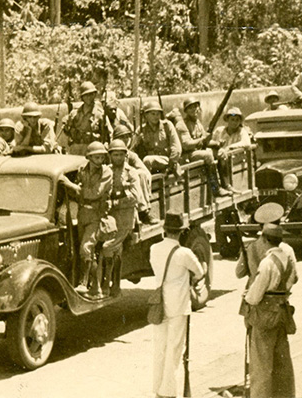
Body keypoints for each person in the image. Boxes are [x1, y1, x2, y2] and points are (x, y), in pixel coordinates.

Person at [150, 212, 205, 398]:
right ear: (181, 232)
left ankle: (157, 388)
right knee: (175, 348)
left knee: (160, 347)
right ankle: (169, 391)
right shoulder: (184, 253)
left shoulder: (154, 249)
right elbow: (199, 273)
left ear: (165, 230)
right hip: (178, 304)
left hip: (159, 302)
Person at [244, 223, 298, 398]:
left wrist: (247, 295)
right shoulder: (286, 258)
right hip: (282, 312)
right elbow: (292, 280)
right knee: (282, 363)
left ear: (266, 240)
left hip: (265, 316)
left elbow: (254, 296)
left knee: (261, 366)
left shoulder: (267, 263)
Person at [58, 141, 112, 296]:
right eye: (96, 157)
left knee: (86, 248)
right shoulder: (82, 170)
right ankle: (96, 288)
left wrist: (73, 187)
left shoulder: (106, 172)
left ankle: (83, 283)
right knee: (87, 252)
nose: (99, 159)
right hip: (82, 214)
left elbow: (96, 193)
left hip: (97, 214)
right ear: (89, 157)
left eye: (102, 156)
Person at [101, 139, 142, 297]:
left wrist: (116, 201)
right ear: (110, 156)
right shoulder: (106, 171)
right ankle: (114, 284)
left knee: (108, 247)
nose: (117, 158)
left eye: (120, 155)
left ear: (126, 155)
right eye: (114, 154)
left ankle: (108, 282)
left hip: (125, 217)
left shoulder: (131, 173)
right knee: (113, 249)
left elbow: (135, 196)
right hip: (109, 217)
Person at [235, 202, 288, 319]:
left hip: (252, 304)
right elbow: (293, 277)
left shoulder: (250, 247)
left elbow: (239, 273)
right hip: (278, 304)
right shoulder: (286, 249)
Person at [174, 97, 230, 197]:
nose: (194, 109)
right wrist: (202, 140)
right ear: (186, 111)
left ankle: (226, 185)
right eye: (190, 108)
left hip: (197, 152)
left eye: (196, 106)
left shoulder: (197, 122)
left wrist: (217, 144)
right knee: (208, 155)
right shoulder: (181, 125)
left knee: (222, 152)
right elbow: (186, 145)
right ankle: (215, 188)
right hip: (186, 155)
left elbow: (205, 141)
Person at [112, 125, 158, 225]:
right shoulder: (109, 152)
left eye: (127, 136)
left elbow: (145, 172)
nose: (126, 139)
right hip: (113, 185)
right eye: (122, 137)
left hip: (127, 187)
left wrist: (130, 174)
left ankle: (143, 212)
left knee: (141, 174)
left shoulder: (131, 155)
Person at [133, 101, 182, 176]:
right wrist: (137, 141)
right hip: (149, 165)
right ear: (146, 115)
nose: (156, 116)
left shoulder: (167, 126)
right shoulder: (141, 130)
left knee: (148, 160)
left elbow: (176, 147)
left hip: (166, 161)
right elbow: (131, 151)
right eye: (153, 114)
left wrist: (171, 164)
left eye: (158, 114)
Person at [63, 81, 110, 156]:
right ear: (82, 97)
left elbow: (108, 134)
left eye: (91, 94)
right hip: (76, 149)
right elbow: (67, 131)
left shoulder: (100, 114)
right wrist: (66, 125)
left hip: (93, 150)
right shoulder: (74, 113)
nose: (89, 97)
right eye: (86, 95)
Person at [212, 106, 252, 192]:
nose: (234, 122)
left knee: (223, 157)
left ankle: (226, 185)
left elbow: (247, 143)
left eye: (237, 120)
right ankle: (216, 186)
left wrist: (230, 147)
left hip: (235, 161)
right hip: (221, 159)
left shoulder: (241, 131)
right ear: (227, 120)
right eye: (232, 119)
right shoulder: (219, 131)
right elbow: (211, 142)